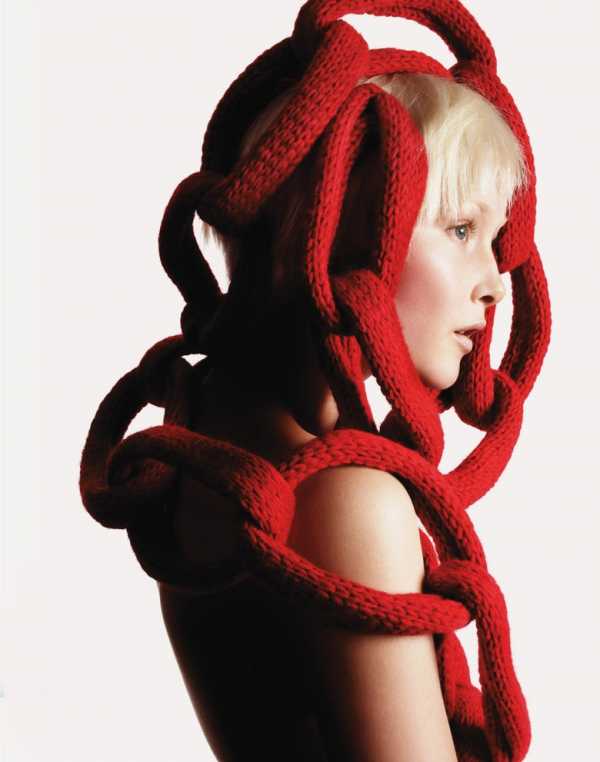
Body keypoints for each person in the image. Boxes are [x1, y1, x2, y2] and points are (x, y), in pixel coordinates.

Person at [157, 71, 528, 761]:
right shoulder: (347, 499)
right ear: (336, 224)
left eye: (493, 236)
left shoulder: (206, 437)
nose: (495, 282)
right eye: (460, 229)